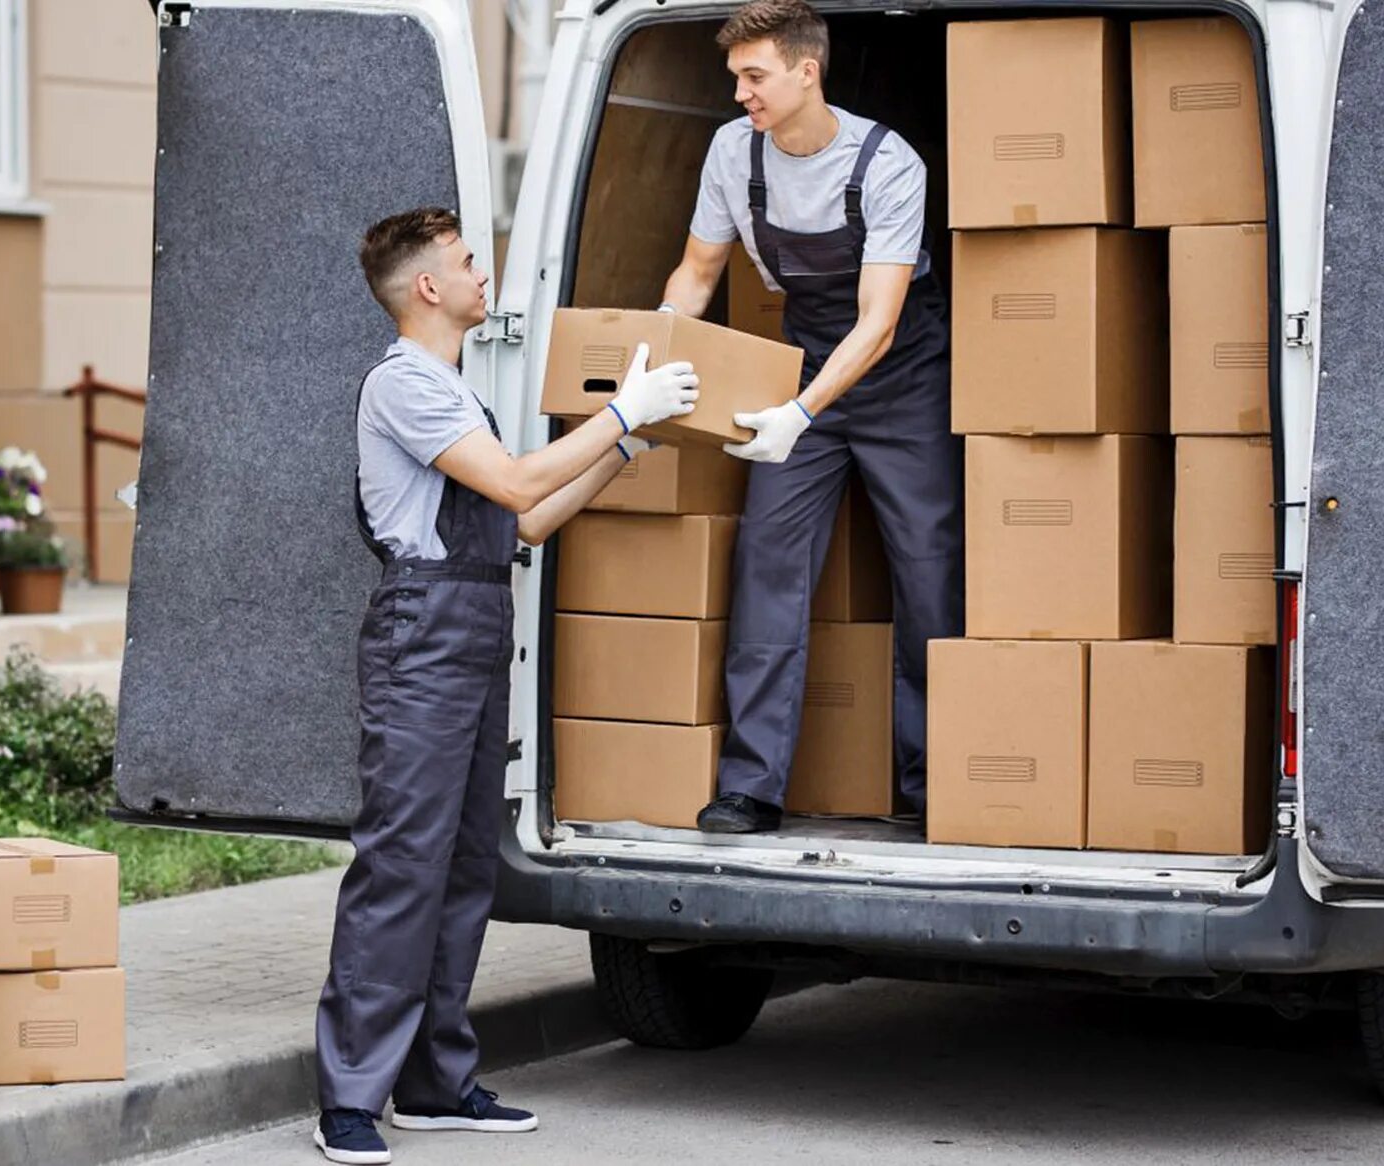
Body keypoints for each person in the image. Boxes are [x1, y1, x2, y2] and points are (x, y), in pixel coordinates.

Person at [312, 206, 700, 1165]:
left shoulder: (456, 389)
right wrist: (620, 412)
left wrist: (622, 450)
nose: (483, 273)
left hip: (476, 622)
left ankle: (435, 1083)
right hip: (424, 632)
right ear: (429, 288)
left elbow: (524, 523)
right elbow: (522, 486)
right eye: (466, 261)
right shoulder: (407, 385)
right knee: (403, 864)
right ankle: (350, 1098)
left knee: (462, 870)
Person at [657, 0, 963, 834]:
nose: (741, 95)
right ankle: (750, 786)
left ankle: (934, 782)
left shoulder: (888, 163)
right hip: (805, 373)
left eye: (754, 77)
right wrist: (653, 352)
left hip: (902, 377)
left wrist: (798, 411)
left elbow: (880, 322)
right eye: (736, 79)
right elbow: (697, 270)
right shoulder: (733, 152)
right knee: (768, 564)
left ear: (806, 70)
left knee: (930, 574)